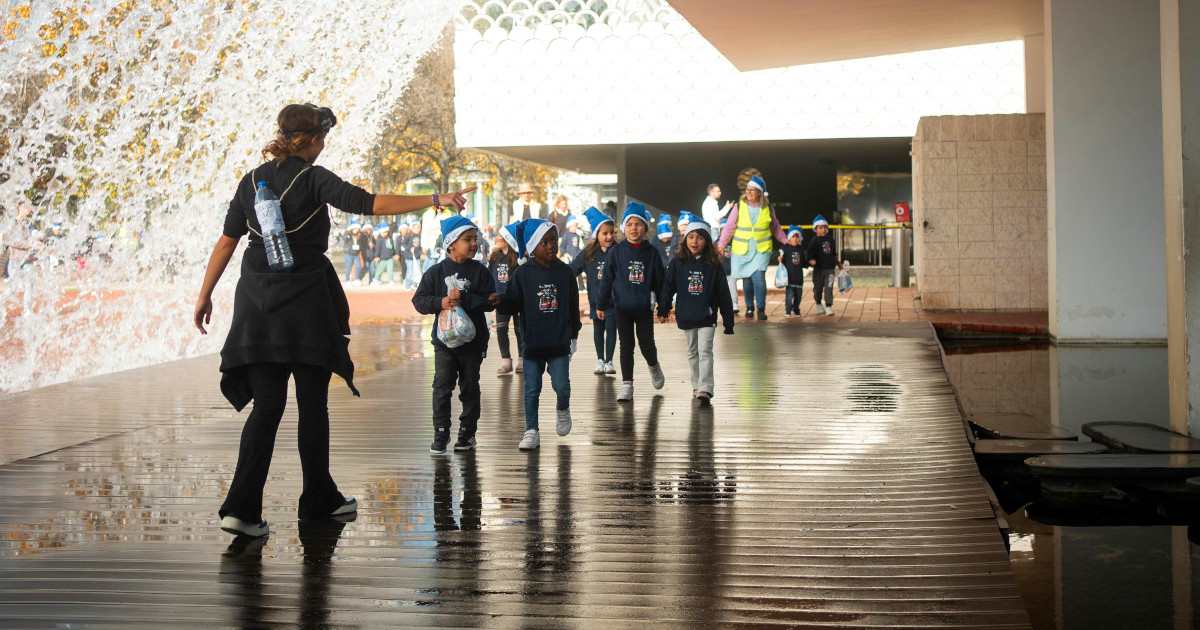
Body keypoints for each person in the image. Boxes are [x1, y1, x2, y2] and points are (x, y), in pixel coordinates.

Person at [193, 103, 477, 538]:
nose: (324, 146)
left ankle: (241, 508)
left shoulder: (252, 180)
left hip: (258, 306)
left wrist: (205, 294)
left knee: (267, 406)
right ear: (309, 139)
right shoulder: (313, 177)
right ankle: (318, 500)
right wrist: (436, 199)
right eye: (322, 139)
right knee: (312, 404)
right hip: (305, 305)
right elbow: (370, 203)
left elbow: (227, 242)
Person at [412, 215, 500, 455]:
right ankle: (440, 433)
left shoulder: (480, 272)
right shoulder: (435, 272)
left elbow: (490, 301)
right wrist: (440, 301)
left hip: (473, 342)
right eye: (468, 239)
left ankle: (467, 433)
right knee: (442, 386)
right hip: (444, 342)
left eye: (476, 239)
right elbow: (418, 301)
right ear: (451, 243)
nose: (474, 244)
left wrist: (467, 299)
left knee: (470, 386)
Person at [500, 218, 581, 451]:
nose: (551, 245)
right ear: (532, 247)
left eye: (553, 240)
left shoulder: (566, 272)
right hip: (532, 345)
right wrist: (498, 301)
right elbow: (511, 304)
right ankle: (531, 430)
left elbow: (573, 306)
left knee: (562, 385)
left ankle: (563, 409)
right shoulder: (522, 273)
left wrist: (573, 335)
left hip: (558, 344)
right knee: (531, 389)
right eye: (544, 242)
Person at [657, 217, 734, 403]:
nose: (694, 241)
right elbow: (668, 287)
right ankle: (696, 384)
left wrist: (728, 321)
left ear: (707, 241)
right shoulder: (678, 263)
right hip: (686, 314)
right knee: (692, 352)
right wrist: (663, 309)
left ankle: (706, 388)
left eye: (700, 237)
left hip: (707, 316)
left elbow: (723, 293)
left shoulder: (713, 265)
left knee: (705, 351)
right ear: (685, 240)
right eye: (691, 237)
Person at [596, 202, 666, 402]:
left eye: (638, 224)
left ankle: (654, 366)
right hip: (622, 307)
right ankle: (627, 384)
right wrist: (601, 305)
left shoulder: (651, 253)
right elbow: (607, 280)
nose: (634, 228)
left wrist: (663, 307)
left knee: (646, 344)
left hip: (643, 306)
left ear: (645, 228)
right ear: (623, 228)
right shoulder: (616, 252)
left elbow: (660, 282)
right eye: (629, 224)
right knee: (626, 345)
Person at [716, 176, 788, 321]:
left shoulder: (768, 208)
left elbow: (775, 227)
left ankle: (761, 308)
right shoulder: (739, 206)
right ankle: (749, 307)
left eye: (753, 190)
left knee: (759, 277)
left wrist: (786, 242)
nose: (749, 192)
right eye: (747, 189)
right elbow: (729, 227)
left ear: (760, 193)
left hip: (761, 250)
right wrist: (721, 245)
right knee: (747, 279)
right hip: (742, 249)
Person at [571, 206, 617, 375]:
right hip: (595, 301)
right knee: (599, 330)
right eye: (605, 233)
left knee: (611, 329)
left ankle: (609, 360)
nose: (609, 236)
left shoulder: (617, 251)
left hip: (613, 302)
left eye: (611, 232)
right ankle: (600, 359)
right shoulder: (588, 253)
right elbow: (573, 269)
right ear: (597, 234)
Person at [489, 221, 524, 374]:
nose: (497, 237)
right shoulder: (495, 256)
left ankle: (522, 359)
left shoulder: (518, 258)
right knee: (501, 329)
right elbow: (490, 276)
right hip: (499, 299)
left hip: (516, 300)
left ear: (508, 239)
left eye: (500, 235)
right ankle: (506, 360)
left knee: (519, 330)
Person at [806, 214, 842, 316]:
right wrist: (811, 260)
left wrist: (838, 263)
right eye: (820, 228)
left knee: (829, 287)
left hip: (830, 268)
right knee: (818, 288)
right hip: (818, 269)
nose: (823, 229)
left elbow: (834, 253)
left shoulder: (831, 240)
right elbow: (809, 253)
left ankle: (829, 306)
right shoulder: (814, 241)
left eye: (825, 227)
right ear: (815, 229)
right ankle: (818, 303)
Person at [2, 202, 35, 313]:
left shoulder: (28, 223)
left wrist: (38, 239)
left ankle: (27, 311)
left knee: (29, 285)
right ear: (19, 207)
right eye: (27, 207)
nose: (29, 209)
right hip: (15, 260)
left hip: (28, 259)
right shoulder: (11, 223)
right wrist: (27, 244)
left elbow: (33, 236)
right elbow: (10, 241)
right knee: (15, 286)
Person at [777, 225, 807, 316]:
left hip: (799, 279)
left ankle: (796, 309)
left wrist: (809, 263)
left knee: (798, 296)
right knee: (789, 296)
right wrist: (778, 258)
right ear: (789, 238)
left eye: (797, 237)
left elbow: (804, 263)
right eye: (793, 236)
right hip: (789, 279)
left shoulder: (801, 249)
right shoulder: (785, 248)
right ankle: (788, 310)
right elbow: (779, 257)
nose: (795, 239)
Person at [717, 217, 738, 314]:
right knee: (719, 290)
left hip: (732, 271)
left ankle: (734, 304)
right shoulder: (717, 242)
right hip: (721, 271)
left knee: (732, 288)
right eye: (723, 229)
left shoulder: (735, 242)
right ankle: (720, 305)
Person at [393, 221, 410, 287]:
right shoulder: (398, 238)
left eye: (405, 228)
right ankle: (403, 277)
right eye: (402, 228)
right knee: (403, 266)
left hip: (408, 254)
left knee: (409, 267)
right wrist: (397, 254)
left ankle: (408, 278)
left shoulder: (409, 236)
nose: (404, 230)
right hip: (402, 255)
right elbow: (397, 247)